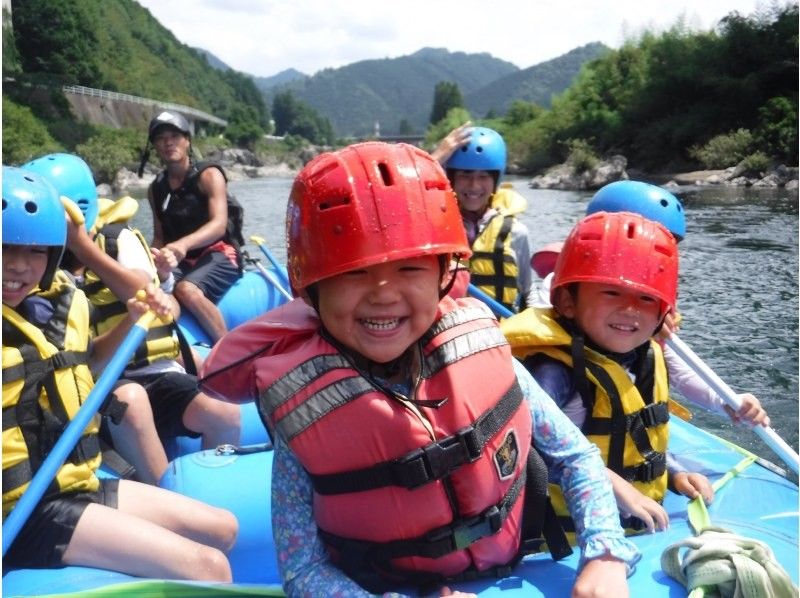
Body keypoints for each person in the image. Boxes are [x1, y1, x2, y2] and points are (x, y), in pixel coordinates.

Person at [199, 142, 639, 597]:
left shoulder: (481, 348)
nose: (383, 295)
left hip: (508, 567)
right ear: (311, 289)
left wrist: (604, 552)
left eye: (410, 267)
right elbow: (302, 569)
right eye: (353, 272)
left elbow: (577, 457)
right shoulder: (304, 402)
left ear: (444, 273)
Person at [2, 166, 237, 580]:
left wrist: (132, 320)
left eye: (36, 251)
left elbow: (87, 364)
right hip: (22, 512)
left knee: (224, 529)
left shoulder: (59, 305)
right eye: (5, 248)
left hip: (74, 480)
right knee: (210, 568)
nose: (19, 266)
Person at [24, 153, 241, 484]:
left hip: (154, 372)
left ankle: (214, 491)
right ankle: (166, 494)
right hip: (100, 386)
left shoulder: (116, 240)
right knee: (132, 401)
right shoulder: (35, 262)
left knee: (225, 414)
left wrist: (84, 248)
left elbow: (141, 289)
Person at [501, 211, 715, 537]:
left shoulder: (643, 357)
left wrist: (673, 473)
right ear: (567, 301)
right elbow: (528, 450)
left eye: (646, 298)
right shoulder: (554, 371)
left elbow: (635, 436)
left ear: (663, 312)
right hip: (564, 540)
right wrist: (611, 484)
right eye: (611, 293)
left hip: (636, 527)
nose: (630, 309)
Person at [586, 181, 769, 427]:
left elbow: (679, 370)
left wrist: (726, 401)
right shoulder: (563, 294)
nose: (656, 260)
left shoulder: (652, 304)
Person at [145, 110, 243, 344]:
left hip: (219, 253)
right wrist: (152, 258)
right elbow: (159, 236)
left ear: (187, 140)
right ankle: (170, 347)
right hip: (181, 261)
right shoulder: (155, 189)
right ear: (155, 146)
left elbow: (219, 224)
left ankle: (228, 350)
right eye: (161, 138)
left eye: (174, 136)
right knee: (150, 289)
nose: (168, 142)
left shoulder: (209, 175)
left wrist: (183, 244)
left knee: (186, 290)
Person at [432, 124, 536, 312]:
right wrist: (435, 160)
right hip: (449, 331)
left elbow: (528, 292)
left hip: (500, 334)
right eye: (465, 175)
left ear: (495, 181)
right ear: (452, 178)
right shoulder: (434, 226)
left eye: (483, 176)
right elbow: (400, 202)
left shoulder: (517, 232)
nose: (474, 185)